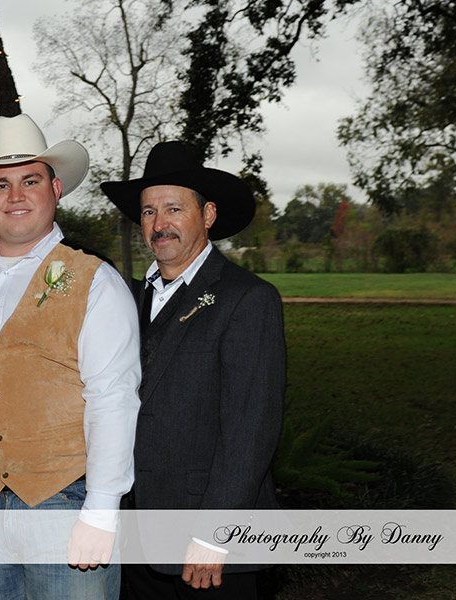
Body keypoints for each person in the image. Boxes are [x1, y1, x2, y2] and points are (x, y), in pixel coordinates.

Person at [0, 114, 141, 599]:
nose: (15, 195)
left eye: (30, 181)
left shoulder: (96, 282)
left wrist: (101, 511)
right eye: (0, 184)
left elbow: (112, 398)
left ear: (55, 189)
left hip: (64, 503)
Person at [101, 141, 286, 600]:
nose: (159, 224)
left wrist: (214, 533)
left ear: (207, 215)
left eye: (173, 209)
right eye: (148, 212)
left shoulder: (248, 298)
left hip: (204, 546)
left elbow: (252, 429)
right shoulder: (127, 297)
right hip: (133, 536)